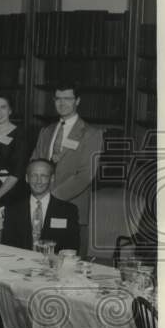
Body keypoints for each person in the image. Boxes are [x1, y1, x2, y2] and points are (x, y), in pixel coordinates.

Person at [30, 87, 104, 255]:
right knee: (38, 260)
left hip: (72, 206)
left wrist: (52, 198)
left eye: (67, 98)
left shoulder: (92, 134)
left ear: (77, 101)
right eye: (58, 98)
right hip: (40, 207)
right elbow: (34, 164)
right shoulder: (46, 131)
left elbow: (86, 175)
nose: (62, 103)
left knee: (69, 266)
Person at [1, 159, 81, 253]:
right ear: (27, 178)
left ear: (52, 178)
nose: (38, 181)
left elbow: (72, 247)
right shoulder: (12, 210)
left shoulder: (68, 210)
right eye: (34, 175)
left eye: (44, 176)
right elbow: (7, 246)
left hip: (54, 264)